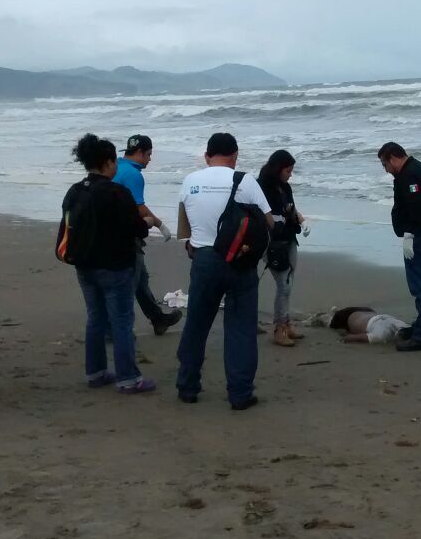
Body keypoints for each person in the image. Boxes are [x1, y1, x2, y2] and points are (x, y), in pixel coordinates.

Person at [175, 133, 273, 410]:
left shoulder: (190, 180)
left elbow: (184, 228)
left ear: (207, 156)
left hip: (204, 259)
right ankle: (240, 393)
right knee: (241, 328)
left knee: (196, 324)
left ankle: (188, 386)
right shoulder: (245, 181)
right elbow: (268, 222)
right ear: (235, 155)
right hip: (240, 260)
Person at [58, 134, 158, 394]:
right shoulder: (116, 193)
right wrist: (148, 223)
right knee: (121, 321)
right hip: (115, 266)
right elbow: (136, 228)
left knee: (96, 318)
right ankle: (128, 378)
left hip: (84, 265)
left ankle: (96, 372)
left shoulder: (75, 191)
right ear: (108, 162)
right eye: (114, 161)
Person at [112, 134, 182, 335]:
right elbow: (139, 207)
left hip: (112, 232)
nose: (150, 159)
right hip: (126, 236)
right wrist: (160, 225)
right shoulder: (133, 175)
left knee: (140, 279)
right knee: (129, 283)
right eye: (149, 154)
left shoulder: (117, 166)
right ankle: (116, 330)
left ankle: (158, 319)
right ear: (140, 153)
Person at [377, 142, 421, 352]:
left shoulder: (410, 175)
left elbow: (417, 208)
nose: (386, 170)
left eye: (385, 165)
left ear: (393, 158)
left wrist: (409, 234)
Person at [258, 150, 306, 347]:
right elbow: (262, 215)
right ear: (278, 169)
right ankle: (279, 329)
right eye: (288, 170)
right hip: (272, 241)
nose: (290, 174)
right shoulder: (261, 187)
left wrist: (301, 220)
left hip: (289, 237)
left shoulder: (285, 187)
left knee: (288, 283)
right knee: (283, 284)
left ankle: (286, 323)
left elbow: (291, 208)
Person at [324, 306, 410, 345]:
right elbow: (350, 338)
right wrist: (343, 337)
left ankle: (337, 311)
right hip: (346, 318)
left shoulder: (405, 325)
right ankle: (326, 316)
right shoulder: (380, 336)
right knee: (330, 324)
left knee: (340, 314)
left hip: (368, 311)